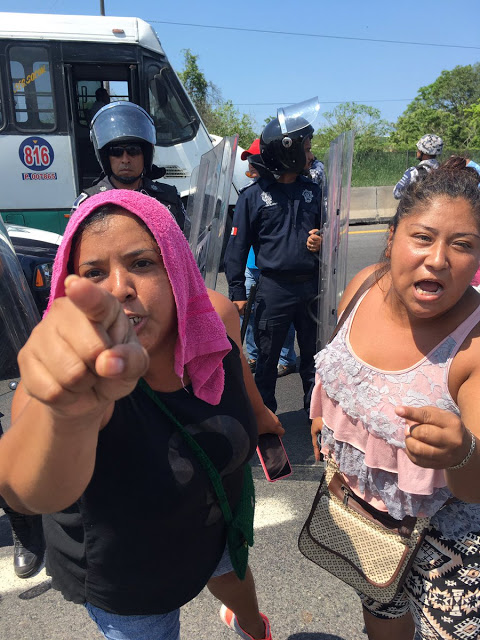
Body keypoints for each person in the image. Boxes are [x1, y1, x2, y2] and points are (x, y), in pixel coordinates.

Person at [0, 189, 284, 640]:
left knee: (236, 582)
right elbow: (26, 489)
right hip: (130, 580)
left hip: (211, 528)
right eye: (93, 272)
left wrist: (262, 416)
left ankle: (252, 627)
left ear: (177, 271)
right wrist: (65, 413)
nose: (118, 288)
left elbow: (235, 369)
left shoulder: (213, 319)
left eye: (142, 263)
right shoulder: (77, 379)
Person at [310, 162, 480, 640]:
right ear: (392, 238)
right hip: (366, 520)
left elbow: (477, 485)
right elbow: (338, 377)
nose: (439, 259)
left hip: (452, 546)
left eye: (463, 244)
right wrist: (322, 426)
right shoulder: (362, 286)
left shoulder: (475, 344)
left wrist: (461, 451)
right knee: (381, 613)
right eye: (422, 237)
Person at [225, 99, 323, 416]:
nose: (310, 155)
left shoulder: (314, 191)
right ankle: (266, 416)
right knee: (266, 359)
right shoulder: (253, 197)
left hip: (310, 288)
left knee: (313, 357)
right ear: (288, 150)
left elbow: (330, 234)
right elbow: (237, 249)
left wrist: (321, 242)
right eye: (306, 148)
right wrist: (237, 292)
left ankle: (314, 416)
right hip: (273, 290)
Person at [73, 101, 186, 231]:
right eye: (116, 152)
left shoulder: (168, 198)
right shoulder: (88, 204)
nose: (125, 159)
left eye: (133, 151)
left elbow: (186, 243)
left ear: (145, 155)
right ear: (106, 158)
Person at [240, 139, 297, 377]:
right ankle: (253, 354)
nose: (251, 166)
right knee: (253, 313)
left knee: (283, 317)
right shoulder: (251, 195)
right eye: (249, 162)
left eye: (254, 160)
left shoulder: (281, 192)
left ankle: (285, 357)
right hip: (252, 266)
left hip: (273, 271)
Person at [393, 134, 443, 199]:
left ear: (423, 152)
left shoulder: (414, 172)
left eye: (418, 149)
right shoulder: (443, 170)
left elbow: (397, 193)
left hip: (420, 208)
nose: (417, 151)